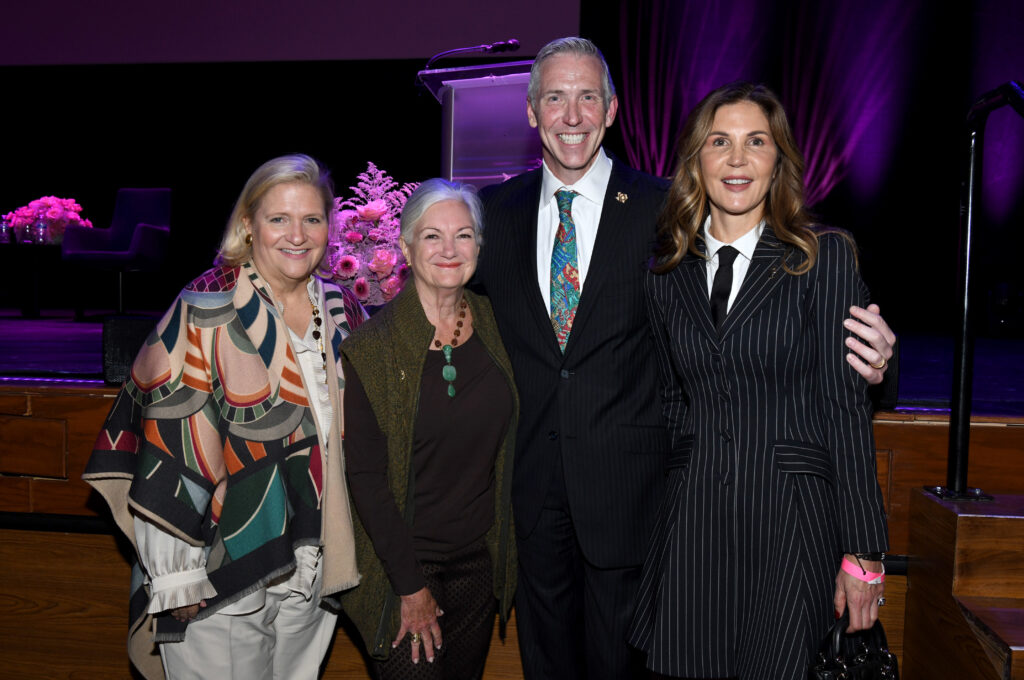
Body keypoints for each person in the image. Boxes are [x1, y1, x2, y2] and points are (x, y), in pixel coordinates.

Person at [475, 37, 896, 680]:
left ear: (612, 109)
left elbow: (838, 387)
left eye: (588, 97)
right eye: (555, 98)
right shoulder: (498, 216)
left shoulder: (666, 214)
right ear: (531, 111)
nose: (572, 114)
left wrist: (885, 364)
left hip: (686, 510)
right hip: (589, 507)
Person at [628, 82, 889, 680]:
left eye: (756, 142)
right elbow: (674, 404)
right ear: (697, 160)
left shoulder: (822, 258)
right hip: (694, 527)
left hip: (791, 526)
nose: (738, 159)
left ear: (778, 162)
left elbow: (845, 409)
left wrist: (864, 552)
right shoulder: (666, 273)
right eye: (719, 142)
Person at [83, 154, 366, 680]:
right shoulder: (206, 306)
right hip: (219, 565)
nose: (297, 235)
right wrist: (177, 577)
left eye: (312, 219)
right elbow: (169, 439)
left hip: (313, 558)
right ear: (248, 224)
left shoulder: (342, 309)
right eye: (279, 219)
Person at [339, 178, 518, 680]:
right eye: (432, 235)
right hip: (404, 566)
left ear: (479, 246)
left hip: (477, 563)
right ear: (405, 247)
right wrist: (409, 585)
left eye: (464, 235)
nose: (449, 249)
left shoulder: (499, 325)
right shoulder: (373, 348)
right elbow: (366, 479)